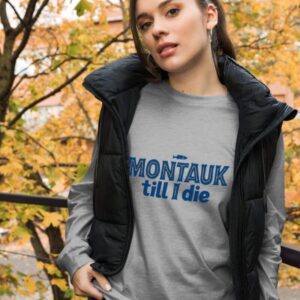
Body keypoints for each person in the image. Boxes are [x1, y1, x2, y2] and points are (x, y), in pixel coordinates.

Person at [56, 0, 298, 299]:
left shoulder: (259, 123)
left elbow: (266, 235)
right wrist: (76, 257)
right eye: (145, 24)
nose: (157, 29)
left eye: (172, 11)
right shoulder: (124, 104)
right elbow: (89, 192)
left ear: (209, 15)